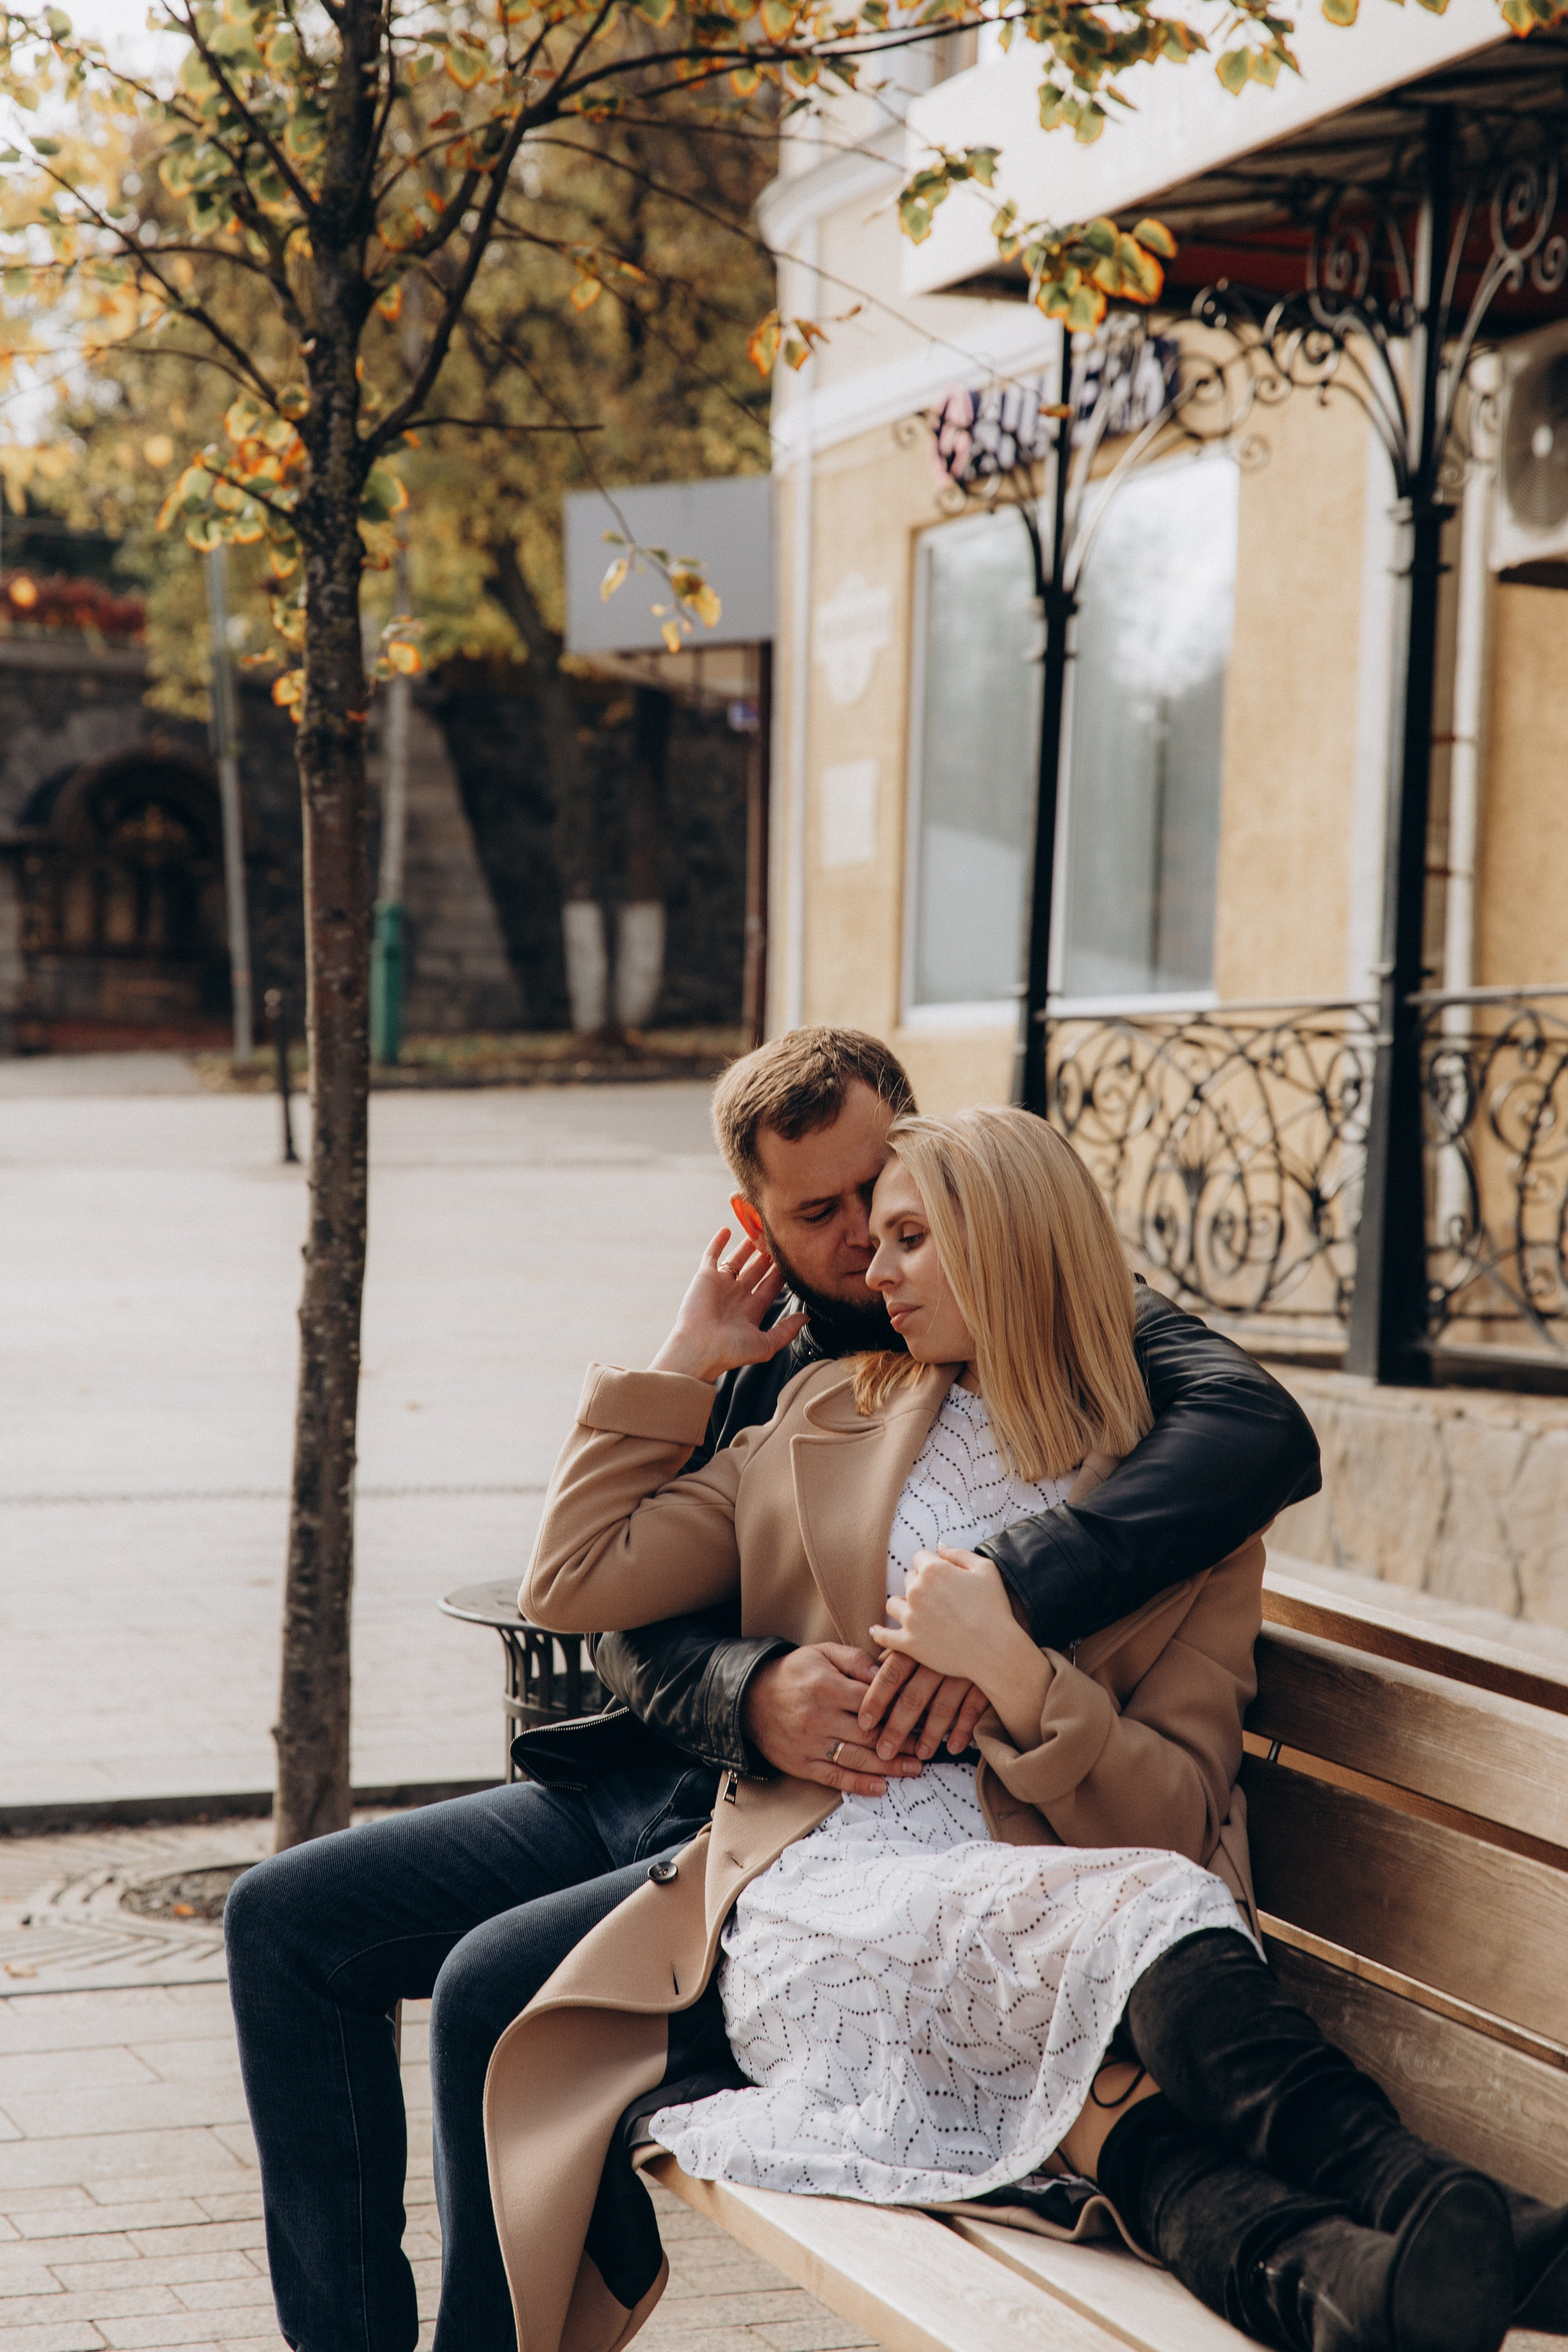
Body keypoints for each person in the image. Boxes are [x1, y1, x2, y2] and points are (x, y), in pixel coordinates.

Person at [225, 1028, 1321, 2352]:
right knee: (283, 1918)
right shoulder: (768, 1351)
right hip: (670, 1778)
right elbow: (597, 1605)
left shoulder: (1050, 1313)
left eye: (887, 1196)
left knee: (489, 1989)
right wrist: (750, 1674)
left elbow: (1254, 1430)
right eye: (822, 1214)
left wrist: (992, 1610)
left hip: (798, 1831)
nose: (866, 1241)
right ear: (757, 1220)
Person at [502, 1106, 1566, 2352]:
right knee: (1124, 1939)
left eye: (907, 1237)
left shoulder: (1168, 1500)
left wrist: (1015, 1672)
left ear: (1003, 1243)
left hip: (1059, 1934)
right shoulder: (822, 1418)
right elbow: (569, 1580)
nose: (870, 1269)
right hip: (831, 1905)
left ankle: (1342, 2286)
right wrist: (681, 1364)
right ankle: (1446, 2204)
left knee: (1115, 2107)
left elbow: (1167, 1820)